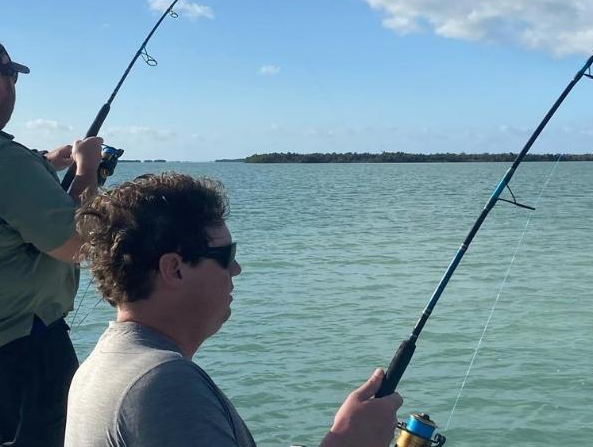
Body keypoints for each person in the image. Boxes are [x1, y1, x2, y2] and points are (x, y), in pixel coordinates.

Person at [65, 172, 403, 446]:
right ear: (175, 269)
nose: (237, 269)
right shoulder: (163, 383)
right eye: (226, 256)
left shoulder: (103, 365)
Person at [0, 32, 102, 446]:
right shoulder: (2, 162)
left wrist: (43, 162)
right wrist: (86, 173)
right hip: (24, 353)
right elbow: (77, 244)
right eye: (13, 79)